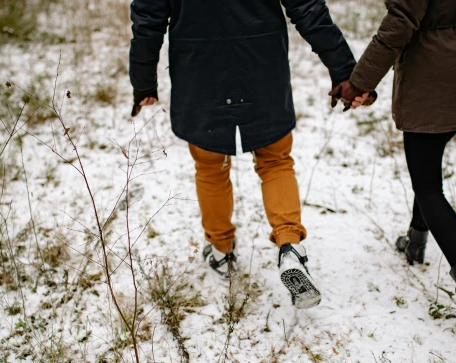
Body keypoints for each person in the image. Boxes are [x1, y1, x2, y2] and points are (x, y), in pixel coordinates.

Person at [129, 0, 367, 309]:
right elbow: (308, 7)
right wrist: (343, 70)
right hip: (262, 65)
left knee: (210, 167)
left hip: (199, 70)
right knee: (276, 161)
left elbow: (148, 18)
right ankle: (290, 246)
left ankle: (221, 250)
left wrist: (144, 81)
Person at [330, 0, 456, 332]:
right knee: (427, 166)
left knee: (427, 185)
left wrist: (359, 83)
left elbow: (399, 22)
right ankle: (415, 242)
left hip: (432, 78)